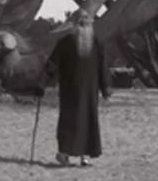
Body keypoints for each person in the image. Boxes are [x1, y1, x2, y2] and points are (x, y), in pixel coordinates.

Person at [37, 11, 111, 166]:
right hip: (71, 90)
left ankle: (83, 156)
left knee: (85, 121)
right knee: (70, 121)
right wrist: (41, 84)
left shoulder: (96, 43)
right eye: (83, 22)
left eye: (86, 22)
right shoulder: (66, 43)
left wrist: (106, 89)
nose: (84, 25)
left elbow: (102, 68)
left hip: (87, 90)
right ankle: (66, 155)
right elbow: (52, 65)